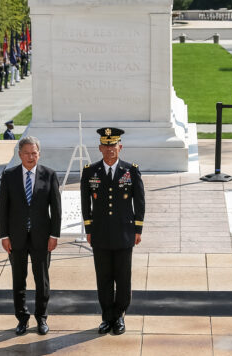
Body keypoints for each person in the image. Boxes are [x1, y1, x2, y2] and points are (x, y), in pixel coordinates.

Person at [81, 127, 145, 336]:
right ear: (100, 148)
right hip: (99, 233)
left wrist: (138, 229)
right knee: (104, 277)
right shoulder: (90, 171)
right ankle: (107, 317)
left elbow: (140, 202)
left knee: (123, 277)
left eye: (114, 146)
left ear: (120, 147)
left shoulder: (131, 170)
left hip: (124, 233)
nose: (110, 150)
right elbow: (85, 203)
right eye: (106, 146)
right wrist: (88, 229)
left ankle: (119, 316)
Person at [0, 136, 61, 336]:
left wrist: (54, 235)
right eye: (27, 153)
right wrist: (4, 236)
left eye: (34, 153)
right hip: (16, 238)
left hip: (42, 237)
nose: (31, 157)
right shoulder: (9, 176)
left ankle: (41, 318)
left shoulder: (49, 175)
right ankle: (22, 318)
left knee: (41, 280)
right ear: (19, 155)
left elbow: (56, 209)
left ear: (39, 154)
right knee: (19, 279)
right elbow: (3, 209)